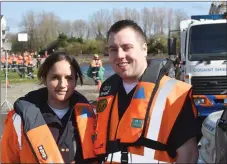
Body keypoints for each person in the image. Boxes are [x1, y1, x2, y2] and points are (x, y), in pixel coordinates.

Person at [94, 20, 199, 163]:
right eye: (113, 49)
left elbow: (188, 154)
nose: (119, 55)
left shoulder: (175, 94)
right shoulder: (107, 91)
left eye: (127, 47)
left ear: (144, 49)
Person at [1, 51, 97, 163]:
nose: (62, 84)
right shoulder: (19, 119)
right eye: (55, 77)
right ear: (45, 79)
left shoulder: (92, 116)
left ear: (75, 81)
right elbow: (8, 159)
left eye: (69, 78)